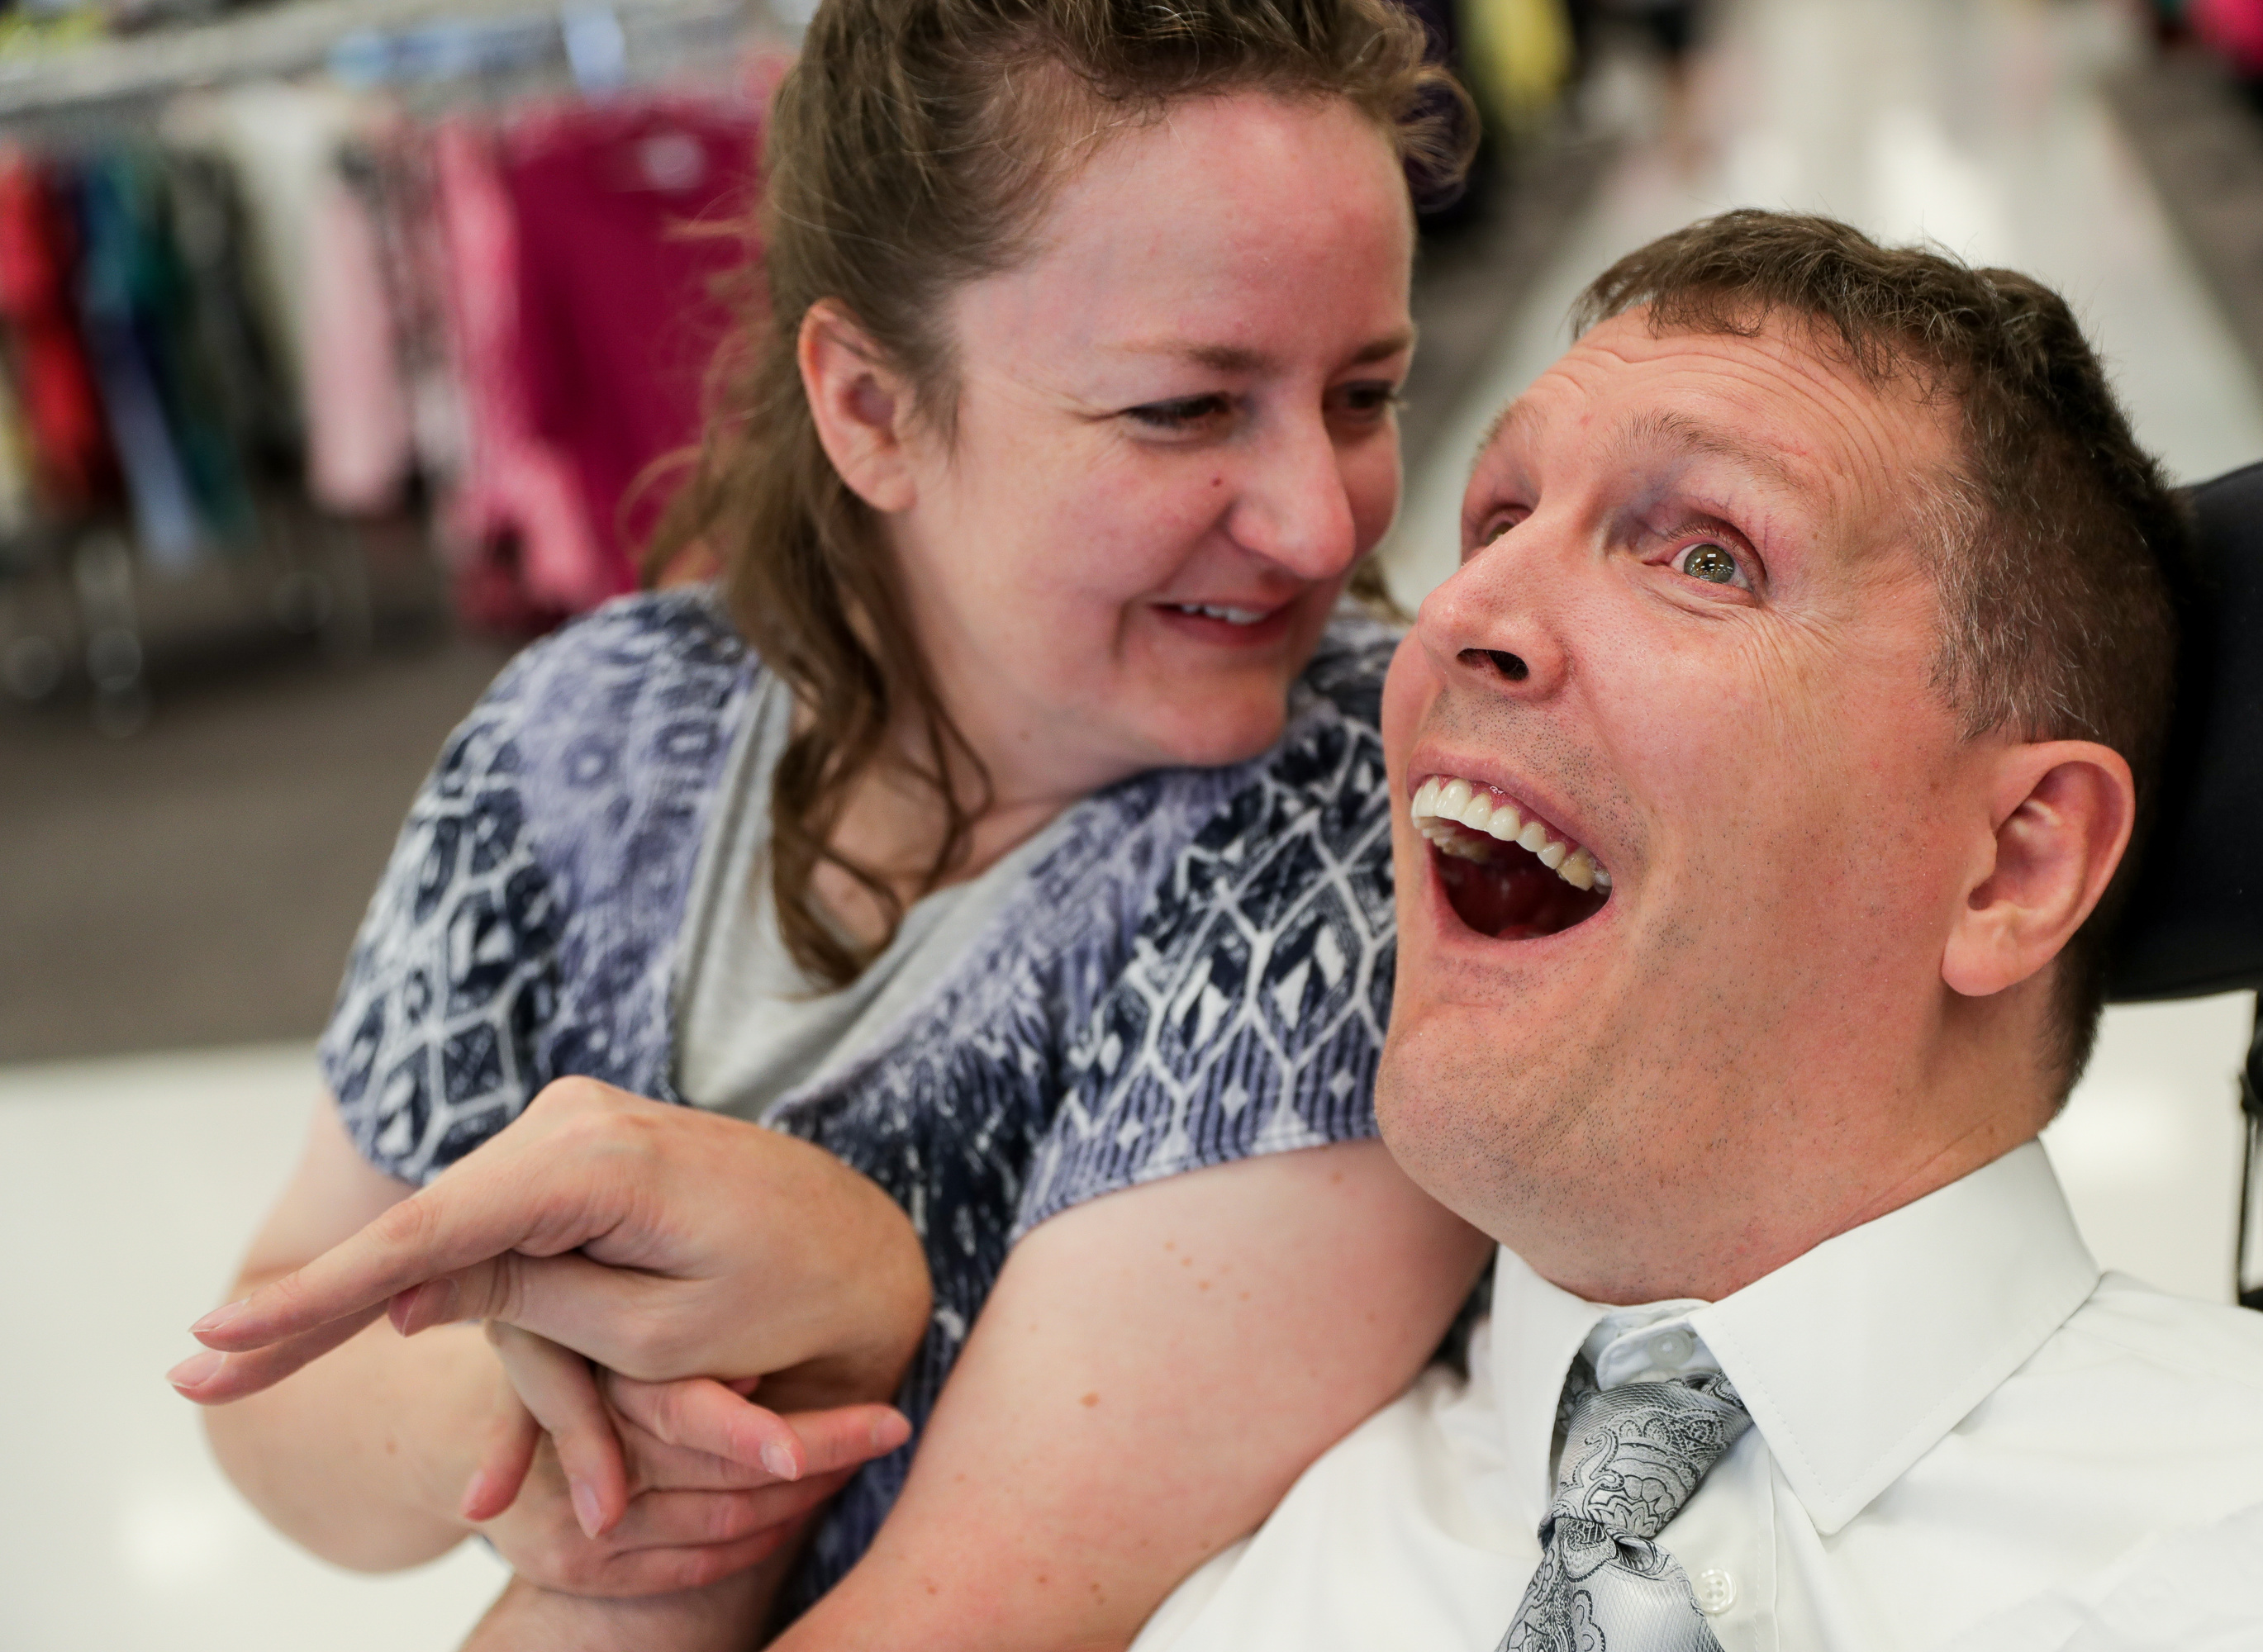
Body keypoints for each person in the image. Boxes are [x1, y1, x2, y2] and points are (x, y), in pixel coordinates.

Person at [168, 0, 1491, 1645]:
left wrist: (800, 1336)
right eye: (1185, 409)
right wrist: (557, 1418)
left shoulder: (1375, 827)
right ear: (868, 407)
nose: (1318, 524)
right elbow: (269, 1369)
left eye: (1364, 394)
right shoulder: (592, 731)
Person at [1123, 210, 2263, 1650]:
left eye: (1706, 559)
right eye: (1501, 521)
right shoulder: (1159, 1532)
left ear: (2014, 866)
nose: (1461, 611)